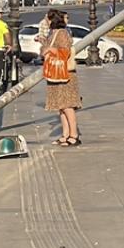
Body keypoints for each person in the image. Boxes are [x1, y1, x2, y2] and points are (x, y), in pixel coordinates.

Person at [44, 9, 82, 146]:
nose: (46, 21)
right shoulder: (53, 33)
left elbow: (65, 52)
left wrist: (51, 50)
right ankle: (65, 134)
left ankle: (74, 135)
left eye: (48, 19)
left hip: (65, 74)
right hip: (57, 74)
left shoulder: (62, 33)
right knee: (61, 106)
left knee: (67, 106)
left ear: (53, 20)